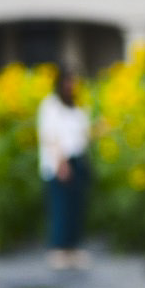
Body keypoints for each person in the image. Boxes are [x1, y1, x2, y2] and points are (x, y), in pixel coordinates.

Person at [37, 67, 92, 270]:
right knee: (60, 206)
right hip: (60, 162)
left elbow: (80, 136)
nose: (71, 86)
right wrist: (61, 163)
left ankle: (72, 248)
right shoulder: (50, 106)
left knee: (75, 207)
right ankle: (59, 249)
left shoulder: (76, 107)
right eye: (68, 82)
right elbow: (50, 135)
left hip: (77, 160)